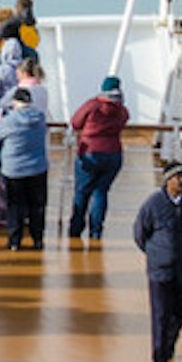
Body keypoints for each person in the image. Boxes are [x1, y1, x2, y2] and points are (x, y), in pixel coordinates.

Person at [133, 162, 182, 362]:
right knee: (161, 315)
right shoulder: (152, 205)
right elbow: (140, 233)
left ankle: (169, 343)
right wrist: (156, 254)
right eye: (177, 177)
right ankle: (159, 359)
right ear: (167, 181)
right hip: (160, 271)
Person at [0, 67, 51, 250]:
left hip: (14, 170)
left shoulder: (10, 121)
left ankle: (15, 241)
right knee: (37, 206)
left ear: (15, 103)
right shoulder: (40, 118)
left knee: (15, 206)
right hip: (38, 168)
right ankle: (38, 239)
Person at [66, 77, 130, 247]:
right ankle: (96, 231)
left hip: (90, 152)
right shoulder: (122, 110)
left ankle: (75, 228)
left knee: (82, 192)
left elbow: (75, 122)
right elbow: (124, 121)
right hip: (114, 153)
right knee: (101, 192)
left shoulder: (92, 105)